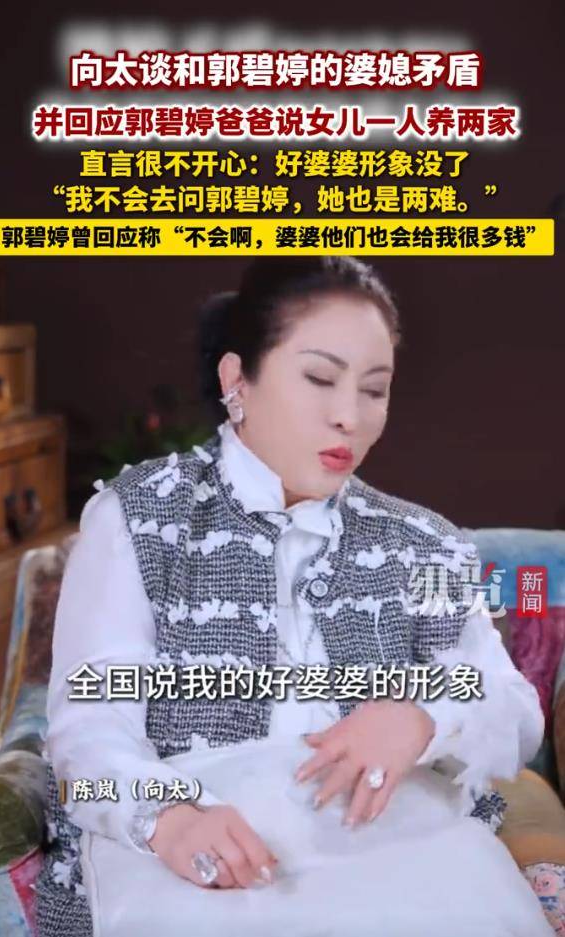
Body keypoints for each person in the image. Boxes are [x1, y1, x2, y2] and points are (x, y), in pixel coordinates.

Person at [35, 257, 554, 936]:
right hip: (200, 845)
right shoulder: (139, 517)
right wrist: (167, 817)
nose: (349, 417)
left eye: (375, 389)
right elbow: (88, 730)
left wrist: (425, 716)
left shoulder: (423, 543)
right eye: (319, 378)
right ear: (237, 380)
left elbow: (512, 706)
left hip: (398, 839)